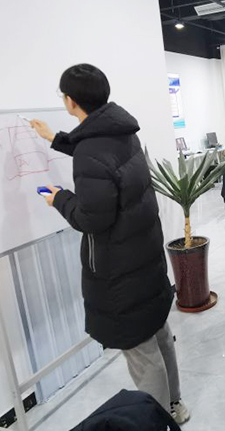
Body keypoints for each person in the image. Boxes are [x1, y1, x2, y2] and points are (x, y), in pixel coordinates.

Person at [30, 64, 190, 424]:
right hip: (144, 259)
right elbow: (100, 160)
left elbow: (92, 218)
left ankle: (158, 422)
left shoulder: (92, 149)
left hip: (120, 272)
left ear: (71, 101)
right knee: (159, 336)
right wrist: (55, 138)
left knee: (142, 355)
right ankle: (175, 407)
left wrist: (58, 199)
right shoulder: (122, 131)